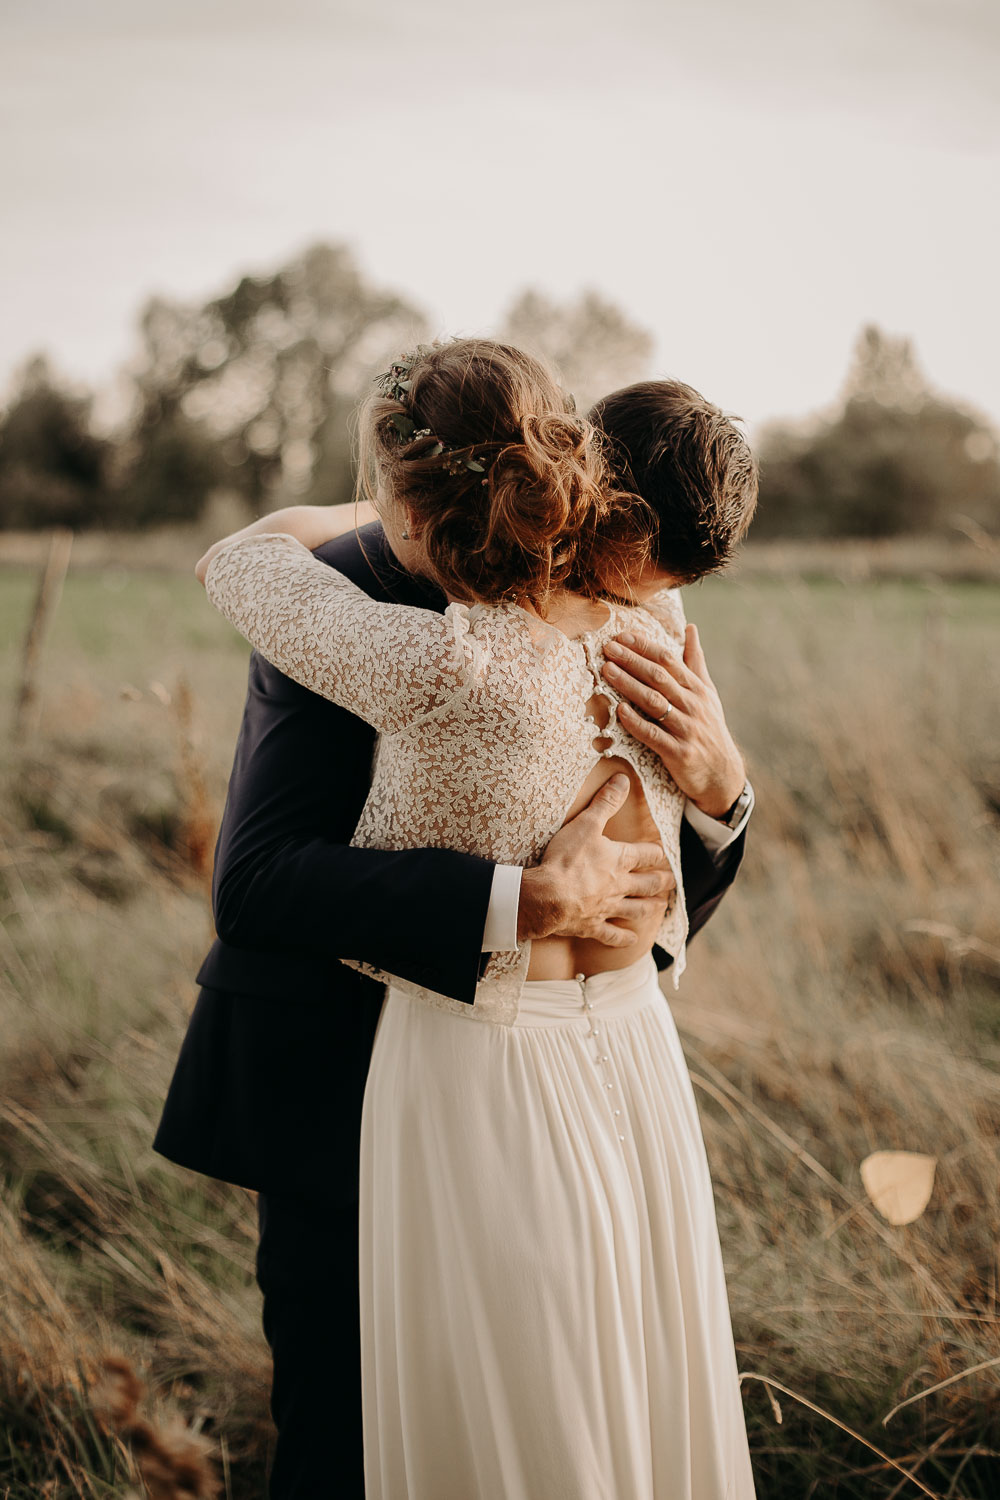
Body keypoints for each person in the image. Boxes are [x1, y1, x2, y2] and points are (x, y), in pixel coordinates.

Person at [182, 338, 758, 1499]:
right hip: (353, 1064)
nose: (640, 582)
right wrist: (528, 900)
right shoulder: (370, 588)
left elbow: (240, 558)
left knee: (573, 1398)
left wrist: (723, 794)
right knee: (372, 1432)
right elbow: (256, 884)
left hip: (585, 1054)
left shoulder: (619, 626)